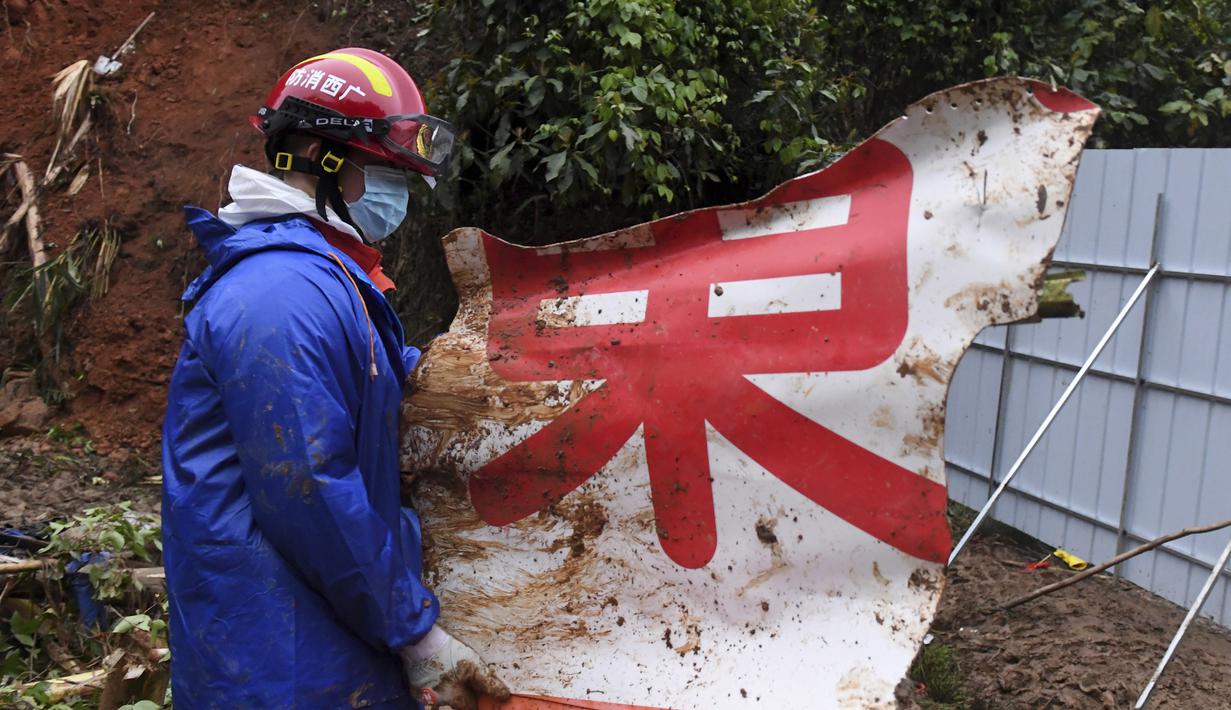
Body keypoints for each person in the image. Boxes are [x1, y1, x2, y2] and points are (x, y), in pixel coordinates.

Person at [160, 48, 510, 709]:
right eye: (387, 173)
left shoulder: (322, 278)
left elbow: (371, 393)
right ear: (320, 157)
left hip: (320, 644)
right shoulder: (281, 292)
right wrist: (415, 634)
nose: (398, 196)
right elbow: (310, 488)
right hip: (282, 665)